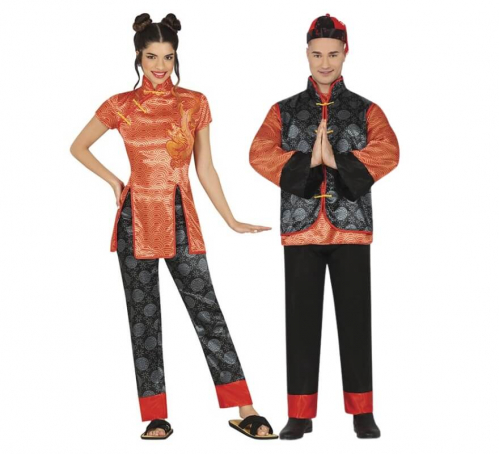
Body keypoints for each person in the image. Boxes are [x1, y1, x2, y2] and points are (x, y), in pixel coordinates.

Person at [70, 12, 278, 441]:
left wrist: (230, 218)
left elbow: (206, 168)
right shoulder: (120, 105)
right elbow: (79, 146)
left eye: (167, 56)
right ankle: (156, 416)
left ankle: (245, 408)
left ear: (176, 56)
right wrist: (114, 182)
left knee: (207, 310)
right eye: (152, 57)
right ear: (138, 56)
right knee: (143, 316)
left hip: (181, 217)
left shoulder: (194, 103)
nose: (160, 65)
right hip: (136, 220)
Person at [249, 13, 399, 440]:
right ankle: (300, 414)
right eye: (317, 55)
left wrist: (339, 160)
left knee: (356, 322)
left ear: (345, 53)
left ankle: (362, 412)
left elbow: (388, 150)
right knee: (300, 324)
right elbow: (259, 152)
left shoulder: (366, 109)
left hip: (351, 228)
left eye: (333, 54)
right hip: (300, 230)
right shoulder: (284, 110)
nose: (325, 63)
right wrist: (309, 161)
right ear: (307, 55)